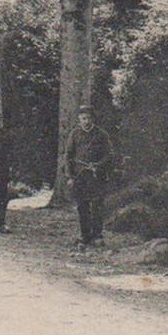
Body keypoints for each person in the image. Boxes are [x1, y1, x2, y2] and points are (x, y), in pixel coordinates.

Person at [65, 103, 116, 247]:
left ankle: (97, 235)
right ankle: (84, 235)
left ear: (93, 119)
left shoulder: (101, 134)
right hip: (79, 175)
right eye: (82, 118)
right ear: (79, 120)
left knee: (97, 206)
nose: (85, 121)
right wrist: (69, 176)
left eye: (88, 118)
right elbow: (68, 155)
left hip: (96, 176)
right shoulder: (74, 134)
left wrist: (98, 165)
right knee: (82, 206)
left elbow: (109, 154)